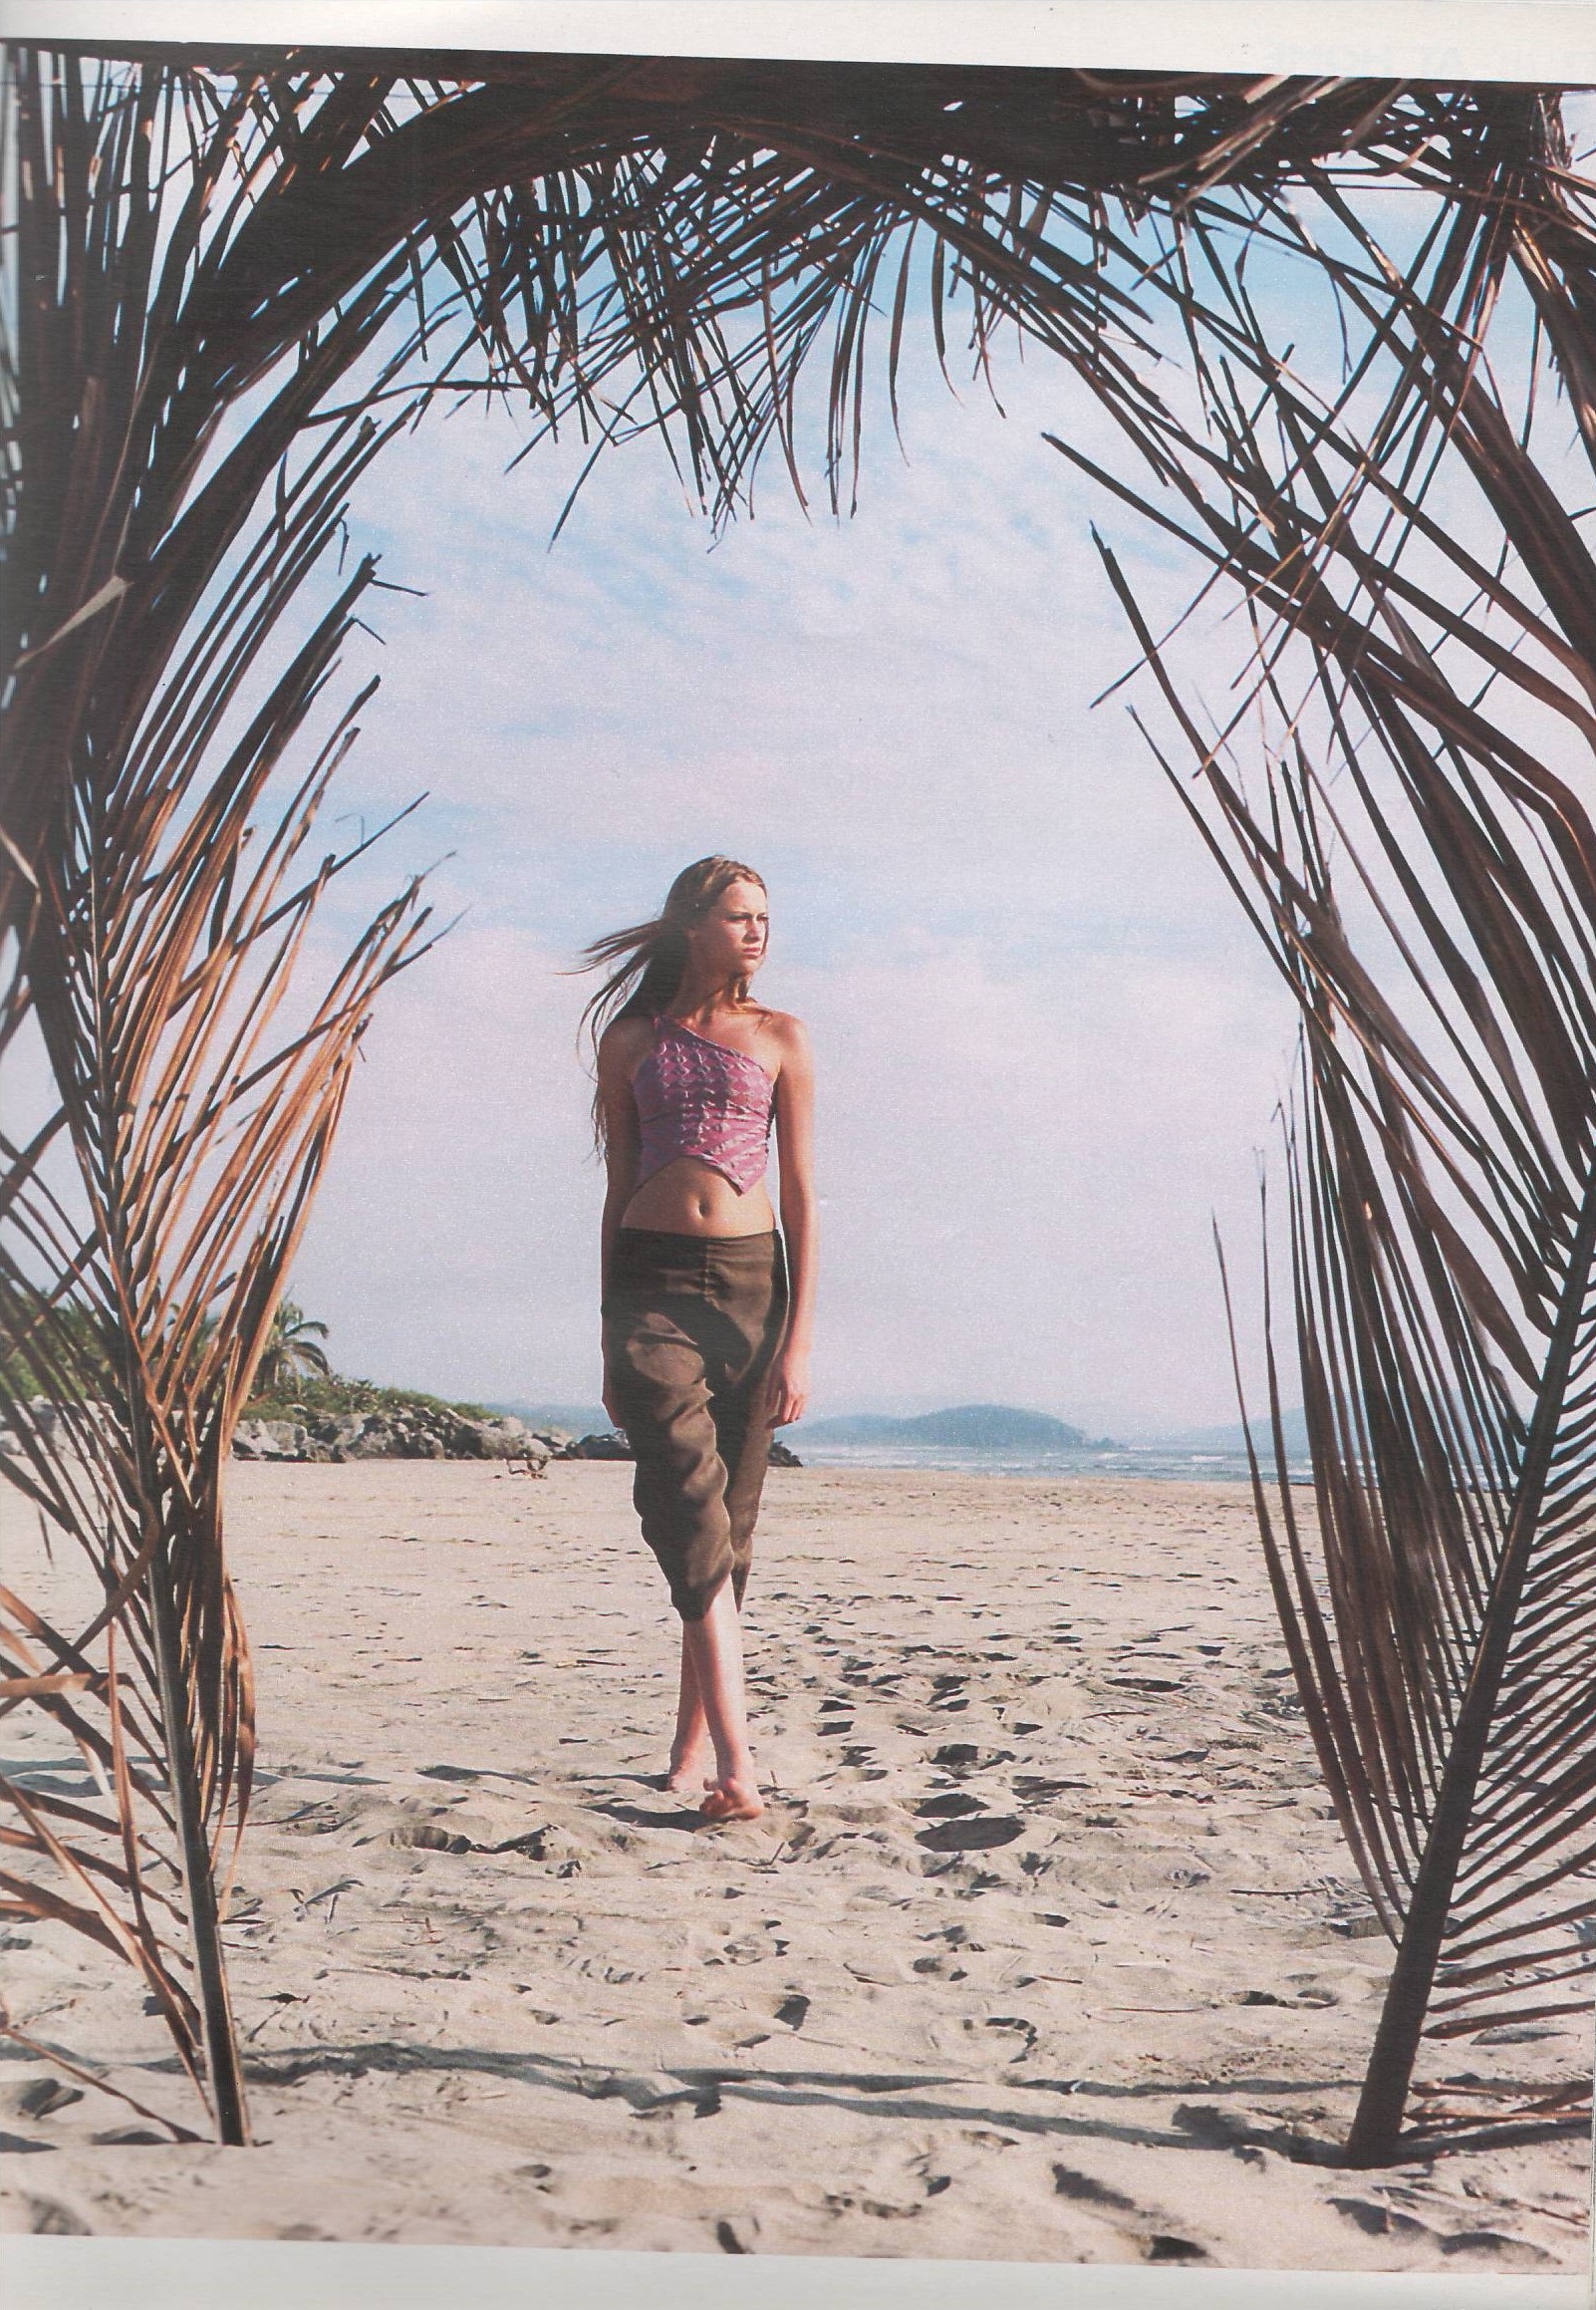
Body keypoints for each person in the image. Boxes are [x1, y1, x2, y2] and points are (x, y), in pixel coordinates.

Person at [578, 857, 816, 1823]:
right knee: (686, 1504)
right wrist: (608, 1331)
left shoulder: (782, 1036)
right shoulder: (632, 1040)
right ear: (691, 923)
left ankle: (685, 1750)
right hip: (652, 1285)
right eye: (739, 915)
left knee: (731, 1528)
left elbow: (801, 1196)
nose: (757, 931)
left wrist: (798, 1341)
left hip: (755, 1288)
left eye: (765, 917)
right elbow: (616, 1185)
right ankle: (736, 1767)